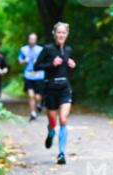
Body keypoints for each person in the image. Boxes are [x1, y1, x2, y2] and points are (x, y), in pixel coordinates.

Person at [34, 22, 75, 165]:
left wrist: (71, 65)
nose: (61, 35)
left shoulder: (68, 50)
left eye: (63, 32)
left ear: (67, 35)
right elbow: (36, 66)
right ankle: (51, 132)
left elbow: (66, 70)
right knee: (52, 122)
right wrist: (51, 64)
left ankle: (61, 153)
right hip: (50, 88)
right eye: (59, 32)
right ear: (54, 34)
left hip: (64, 88)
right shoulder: (47, 49)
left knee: (63, 119)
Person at [18, 33, 45, 121]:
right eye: (30, 39)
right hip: (28, 75)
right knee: (30, 95)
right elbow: (20, 61)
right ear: (28, 40)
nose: (32, 41)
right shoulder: (23, 49)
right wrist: (24, 61)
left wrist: (39, 61)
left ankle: (39, 103)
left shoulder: (41, 49)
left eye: (33, 39)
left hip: (39, 75)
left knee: (37, 97)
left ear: (36, 40)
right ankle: (33, 113)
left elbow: (46, 61)